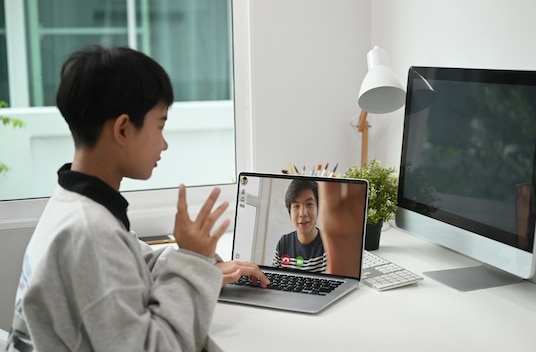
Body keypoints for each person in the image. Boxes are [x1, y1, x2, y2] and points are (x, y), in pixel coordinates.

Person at [5, 45, 269, 352]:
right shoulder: (89, 233)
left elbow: (129, 260)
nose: (164, 143)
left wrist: (199, 264)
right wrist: (192, 264)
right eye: (160, 125)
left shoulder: (74, 202)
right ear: (122, 129)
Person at [272, 179, 326, 272]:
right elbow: (272, 277)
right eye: (296, 206)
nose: (302, 213)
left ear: (318, 209)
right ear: (290, 211)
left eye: (309, 204)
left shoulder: (328, 243)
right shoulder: (284, 243)